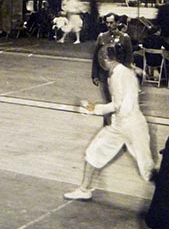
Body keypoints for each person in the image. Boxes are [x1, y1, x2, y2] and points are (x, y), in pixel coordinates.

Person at [64, 43, 155, 201]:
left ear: (106, 58)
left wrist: (93, 108)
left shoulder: (121, 74)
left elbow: (117, 105)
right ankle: (84, 189)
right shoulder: (117, 73)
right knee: (94, 152)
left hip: (133, 126)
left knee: (146, 168)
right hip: (118, 125)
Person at [91, 13, 133, 125]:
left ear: (117, 22)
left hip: (119, 76)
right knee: (107, 102)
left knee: (120, 103)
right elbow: (96, 57)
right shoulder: (101, 37)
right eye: (107, 23)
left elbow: (129, 59)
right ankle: (107, 126)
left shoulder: (125, 38)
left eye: (112, 22)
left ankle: (121, 126)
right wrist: (94, 75)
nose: (109, 25)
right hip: (104, 75)